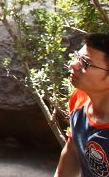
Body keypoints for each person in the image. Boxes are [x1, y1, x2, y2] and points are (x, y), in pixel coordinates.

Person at [56, 33, 109, 177]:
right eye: (77, 57)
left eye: (85, 63)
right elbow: (73, 150)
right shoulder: (79, 98)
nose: (73, 64)